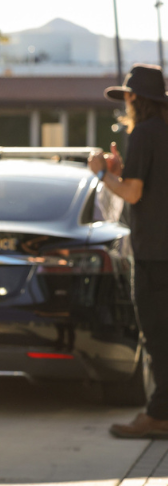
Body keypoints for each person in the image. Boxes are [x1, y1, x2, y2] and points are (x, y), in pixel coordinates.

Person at [91, 64, 168, 438]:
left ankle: (160, 415)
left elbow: (133, 193)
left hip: (155, 253)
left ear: (135, 98)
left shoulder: (144, 134)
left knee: (157, 336)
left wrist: (102, 173)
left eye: (126, 98)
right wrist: (120, 173)